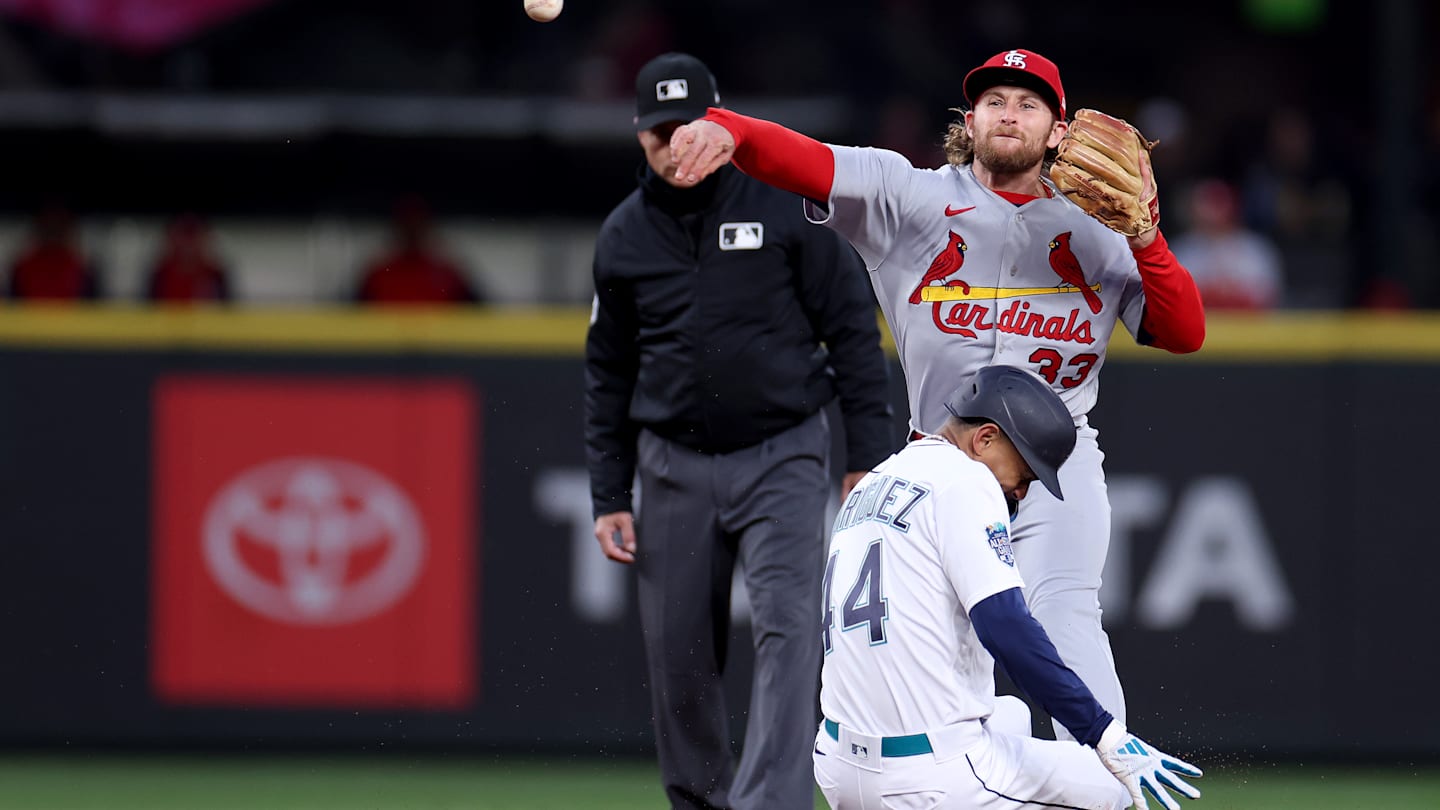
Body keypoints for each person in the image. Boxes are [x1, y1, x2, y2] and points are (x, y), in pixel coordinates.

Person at [669, 48, 1206, 740]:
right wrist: (729, 129)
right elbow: (808, 161)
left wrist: (1150, 239)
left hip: (1056, 467)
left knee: (1067, 623)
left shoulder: (1103, 230)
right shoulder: (911, 197)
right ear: (971, 119)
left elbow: (1183, 332)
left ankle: (1109, 784)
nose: (1008, 113)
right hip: (940, 464)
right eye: (994, 101)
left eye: (1028, 103)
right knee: (930, 658)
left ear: (1057, 130)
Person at [585, 52, 894, 810]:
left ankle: (772, 805)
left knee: (791, 634)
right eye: (659, 133)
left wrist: (867, 457)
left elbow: (852, 329)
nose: (674, 145)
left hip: (783, 450)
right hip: (671, 463)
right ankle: (701, 801)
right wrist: (607, 493)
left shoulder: (783, 202)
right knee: (679, 656)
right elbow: (608, 373)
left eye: (687, 128)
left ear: (716, 126)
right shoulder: (623, 236)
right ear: (639, 137)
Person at [815, 364, 1202, 810]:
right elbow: (1006, 629)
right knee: (1108, 786)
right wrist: (1105, 733)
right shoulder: (966, 479)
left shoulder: (876, 480)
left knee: (1012, 716)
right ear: (985, 439)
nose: (1022, 492)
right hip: (927, 778)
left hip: (836, 763)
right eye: (1025, 472)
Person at [1169, 179, 1283, 310]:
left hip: (1249, 327)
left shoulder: (1255, 249)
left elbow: (1268, 298)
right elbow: (1174, 300)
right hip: (1196, 327)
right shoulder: (1181, 250)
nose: (1213, 217)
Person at [355, 196, 483, 305]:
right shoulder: (378, 276)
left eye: (416, 227)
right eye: (407, 227)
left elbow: (481, 316)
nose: (412, 233)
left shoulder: (448, 275)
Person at [6, 204, 100, 301]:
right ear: (40, 227)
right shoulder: (22, 268)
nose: (53, 229)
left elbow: (89, 307)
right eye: (48, 224)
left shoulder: (82, 270)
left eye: (59, 224)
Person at [146, 214, 233, 303]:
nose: (187, 244)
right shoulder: (159, 275)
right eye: (183, 234)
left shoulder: (216, 276)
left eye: (193, 234)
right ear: (170, 237)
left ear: (206, 237)